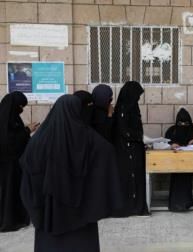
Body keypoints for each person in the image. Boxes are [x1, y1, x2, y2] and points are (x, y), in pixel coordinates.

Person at [19, 95, 123, 252]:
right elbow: (107, 151)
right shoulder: (88, 138)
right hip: (82, 214)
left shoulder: (39, 141)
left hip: (49, 216)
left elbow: (28, 170)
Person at [0, 92, 39, 232]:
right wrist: (27, 130)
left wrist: (25, 130)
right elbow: (10, 142)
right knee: (8, 193)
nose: (21, 109)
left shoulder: (10, 118)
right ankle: (9, 222)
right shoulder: (5, 121)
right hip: (8, 166)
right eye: (20, 106)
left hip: (12, 165)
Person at [112, 81, 149, 217]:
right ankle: (130, 207)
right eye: (137, 95)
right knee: (128, 178)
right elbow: (123, 131)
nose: (138, 99)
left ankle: (137, 206)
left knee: (136, 178)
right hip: (127, 149)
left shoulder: (132, 107)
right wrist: (138, 137)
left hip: (135, 148)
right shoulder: (123, 108)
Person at [165, 108, 193, 212]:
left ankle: (186, 203)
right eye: (181, 123)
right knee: (176, 181)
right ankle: (175, 204)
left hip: (189, 162)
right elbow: (164, 142)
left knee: (186, 181)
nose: (183, 125)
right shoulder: (172, 130)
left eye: (186, 123)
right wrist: (171, 144)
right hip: (175, 161)